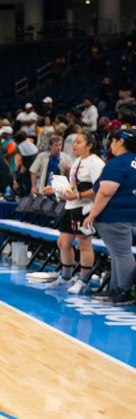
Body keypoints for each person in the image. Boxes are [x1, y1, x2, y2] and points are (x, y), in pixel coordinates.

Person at [43, 131, 104, 294]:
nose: (74, 144)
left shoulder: (96, 163)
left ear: (89, 145)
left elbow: (99, 189)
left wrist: (77, 195)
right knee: (63, 243)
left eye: (79, 142)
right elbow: (71, 186)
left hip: (86, 210)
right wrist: (55, 189)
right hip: (71, 208)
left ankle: (84, 280)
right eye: (74, 142)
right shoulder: (77, 161)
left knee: (84, 243)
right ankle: (66, 277)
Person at [89, 127, 136, 305]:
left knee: (122, 254)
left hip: (115, 216)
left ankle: (124, 292)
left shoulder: (117, 163)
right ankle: (115, 289)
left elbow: (105, 192)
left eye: (113, 141)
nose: (111, 146)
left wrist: (91, 215)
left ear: (121, 142)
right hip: (130, 214)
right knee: (118, 253)